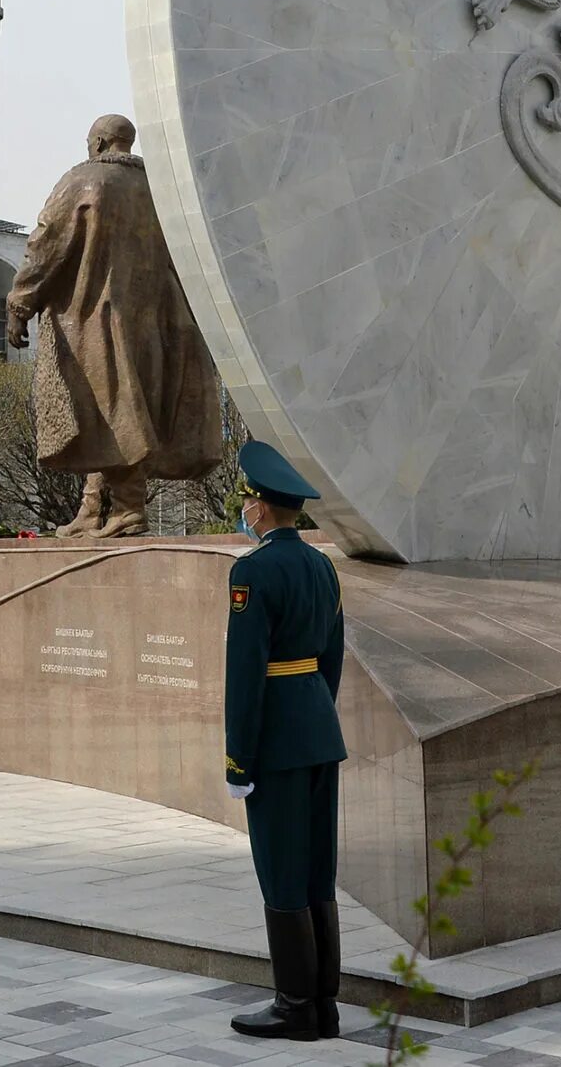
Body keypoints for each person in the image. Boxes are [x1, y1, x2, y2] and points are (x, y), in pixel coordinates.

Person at [4, 113, 224, 539]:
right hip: (158, 323)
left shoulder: (86, 180)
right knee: (111, 415)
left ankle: (127, 509)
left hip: (97, 319)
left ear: (101, 143)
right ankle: (93, 507)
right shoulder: (159, 189)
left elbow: (47, 242)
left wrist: (20, 301)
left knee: (115, 411)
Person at [222, 440, 347, 1043]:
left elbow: (245, 676)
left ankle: (295, 1006)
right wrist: (317, 715)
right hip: (321, 735)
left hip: (275, 743)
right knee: (318, 870)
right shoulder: (325, 567)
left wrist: (238, 756)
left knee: (280, 872)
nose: (246, 510)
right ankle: (324, 1004)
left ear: (262, 509)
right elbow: (333, 660)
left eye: (249, 501)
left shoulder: (252, 572)